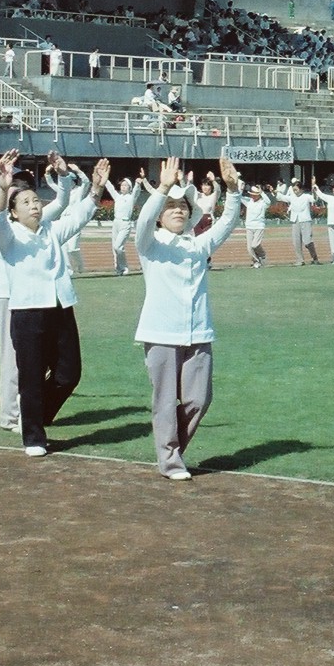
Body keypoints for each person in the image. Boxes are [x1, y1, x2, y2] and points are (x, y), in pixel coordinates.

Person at [0, 149, 108, 455]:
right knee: (31, 376)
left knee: (69, 374)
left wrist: (97, 188)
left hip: (61, 307)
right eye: (25, 202)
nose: (34, 205)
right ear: (14, 212)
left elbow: (79, 216)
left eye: (35, 200)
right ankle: (34, 437)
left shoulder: (51, 231)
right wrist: (1, 187)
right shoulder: (8, 237)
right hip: (27, 313)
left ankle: (33, 416)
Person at [133, 153, 245, 480]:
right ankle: (169, 461)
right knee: (165, 402)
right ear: (160, 216)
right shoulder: (150, 245)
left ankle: (172, 451)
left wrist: (233, 190)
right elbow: (141, 223)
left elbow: (227, 223)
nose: (179, 210)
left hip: (199, 334)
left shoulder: (198, 246)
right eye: (171, 207)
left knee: (198, 399)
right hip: (161, 333)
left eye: (183, 206)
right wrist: (163, 188)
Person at [106, 174, 144, 275]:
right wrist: (104, 178)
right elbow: (111, 189)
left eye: (125, 185)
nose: (123, 187)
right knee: (114, 247)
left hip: (125, 223)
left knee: (118, 246)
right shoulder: (118, 197)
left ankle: (124, 267)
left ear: (129, 187)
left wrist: (137, 183)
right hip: (116, 223)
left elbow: (136, 191)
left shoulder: (131, 198)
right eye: (122, 185)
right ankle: (118, 269)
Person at [282, 178, 319, 264]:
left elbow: (314, 199)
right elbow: (282, 197)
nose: (295, 191)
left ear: (301, 189)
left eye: (296, 189)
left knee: (307, 241)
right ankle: (300, 260)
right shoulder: (292, 197)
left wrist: (313, 187)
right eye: (293, 190)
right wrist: (274, 191)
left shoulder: (306, 196)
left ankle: (314, 258)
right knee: (296, 242)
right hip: (295, 220)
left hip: (305, 220)